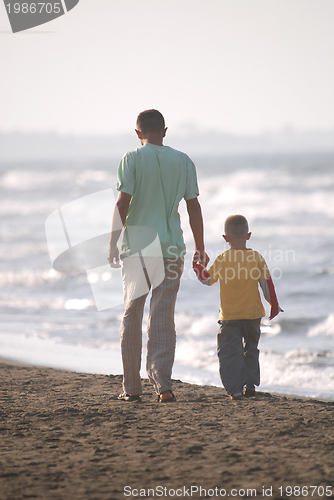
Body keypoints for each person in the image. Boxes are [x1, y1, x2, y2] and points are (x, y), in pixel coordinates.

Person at [108, 109, 209, 403]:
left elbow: (122, 204)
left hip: (138, 247)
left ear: (138, 133)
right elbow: (194, 208)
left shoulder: (132, 158)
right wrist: (200, 246)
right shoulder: (184, 161)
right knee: (163, 316)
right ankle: (163, 386)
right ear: (165, 131)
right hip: (172, 247)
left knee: (133, 314)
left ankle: (132, 388)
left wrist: (113, 242)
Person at [194, 214, 283, 400]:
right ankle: (250, 384)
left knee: (230, 352)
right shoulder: (256, 257)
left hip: (230, 316)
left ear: (225, 238)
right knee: (251, 349)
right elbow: (267, 284)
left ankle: (235, 389)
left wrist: (198, 265)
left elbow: (207, 279)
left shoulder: (223, 258)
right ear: (248, 235)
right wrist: (274, 305)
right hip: (253, 315)